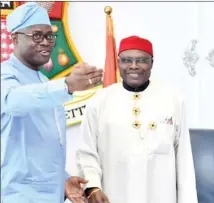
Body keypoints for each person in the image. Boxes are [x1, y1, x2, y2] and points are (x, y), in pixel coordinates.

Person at [0, 2, 103, 203]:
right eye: (37, 35)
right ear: (14, 38)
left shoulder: (45, 83)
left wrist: (62, 180)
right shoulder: (6, 75)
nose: (46, 42)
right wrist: (67, 86)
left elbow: (40, 148)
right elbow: (14, 101)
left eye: (49, 36)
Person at [76, 35, 198, 203]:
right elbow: (86, 152)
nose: (134, 66)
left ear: (152, 63)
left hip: (160, 195)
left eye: (142, 60)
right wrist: (93, 187)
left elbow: (183, 158)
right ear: (118, 63)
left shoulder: (173, 99)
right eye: (127, 60)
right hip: (113, 195)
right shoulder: (99, 101)